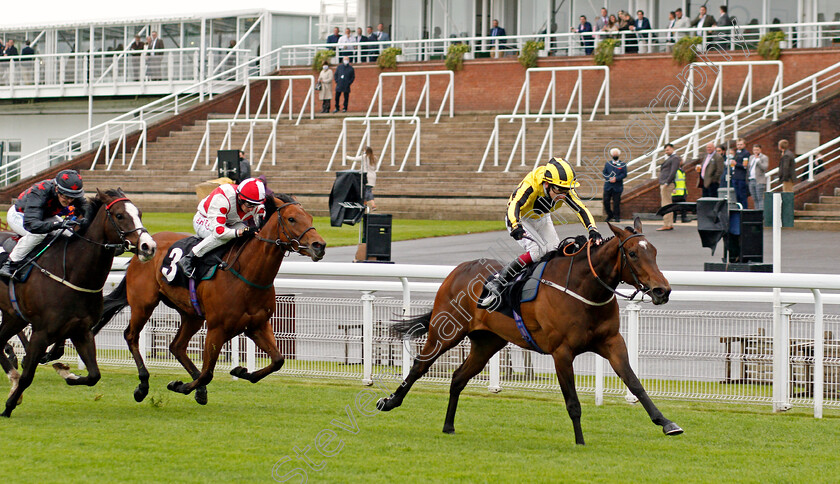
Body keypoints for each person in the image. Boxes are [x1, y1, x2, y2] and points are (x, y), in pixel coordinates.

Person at [479, 157, 602, 307]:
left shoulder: (561, 188)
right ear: (546, 184)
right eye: (559, 191)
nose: (563, 195)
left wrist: (593, 229)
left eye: (566, 191)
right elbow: (513, 205)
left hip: (542, 217)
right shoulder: (531, 185)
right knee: (537, 251)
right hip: (520, 218)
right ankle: (500, 280)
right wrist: (515, 225)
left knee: (553, 252)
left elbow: (581, 209)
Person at [0, 170, 85, 280]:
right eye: (65, 197)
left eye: (72, 198)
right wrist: (58, 224)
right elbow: (33, 225)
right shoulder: (40, 191)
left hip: (45, 215)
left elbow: (87, 210)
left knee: (70, 234)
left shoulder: (72, 193)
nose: (69, 201)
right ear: (57, 189)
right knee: (39, 234)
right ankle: (10, 263)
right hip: (21, 215)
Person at [177, 178, 267, 278]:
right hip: (204, 220)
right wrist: (241, 232)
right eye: (249, 205)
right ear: (239, 198)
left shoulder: (256, 204)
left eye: (255, 205)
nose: (251, 209)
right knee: (225, 237)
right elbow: (219, 232)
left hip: (229, 222)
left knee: (247, 234)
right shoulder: (222, 198)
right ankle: (189, 258)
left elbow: (259, 228)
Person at [345, 146, 377, 210]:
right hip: (373, 176)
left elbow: (355, 159)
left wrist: (346, 156)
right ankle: (364, 203)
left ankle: (373, 205)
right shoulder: (374, 158)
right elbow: (375, 168)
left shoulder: (364, 157)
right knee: (365, 190)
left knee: (367, 191)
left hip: (366, 175)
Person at [658, 143, 680, 231]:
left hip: (667, 184)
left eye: (668, 150)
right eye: (665, 150)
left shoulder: (675, 158)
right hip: (665, 183)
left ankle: (667, 224)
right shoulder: (671, 158)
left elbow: (673, 171)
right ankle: (668, 223)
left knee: (666, 204)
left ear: (672, 149)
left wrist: (667, 182)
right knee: (667, 203)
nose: (666, 152)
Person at [602, 148, 626, 222]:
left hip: (617, 186)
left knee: (616, 202)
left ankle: (617, 216)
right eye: (614, 154)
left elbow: (624, 174)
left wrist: (616, 178)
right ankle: (610, 215)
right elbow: (604, 173)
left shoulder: (622, 164)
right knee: (606, 201)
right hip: (608, 186)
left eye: (616, 154)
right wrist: (609, 178)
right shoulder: (607, 164)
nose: (615, 155)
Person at [747, 144, 769, 210]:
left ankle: (761, 213)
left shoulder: (764, 157)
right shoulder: (751, 157)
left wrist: (758, 161)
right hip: (751, 180)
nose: (755, 151)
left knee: (760, 198)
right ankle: (756, 212)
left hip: (759, 180)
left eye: (757, 150)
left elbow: (765, 168)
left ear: (760, 150)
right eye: (754, 150)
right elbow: (749, 167)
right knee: (754, 198)